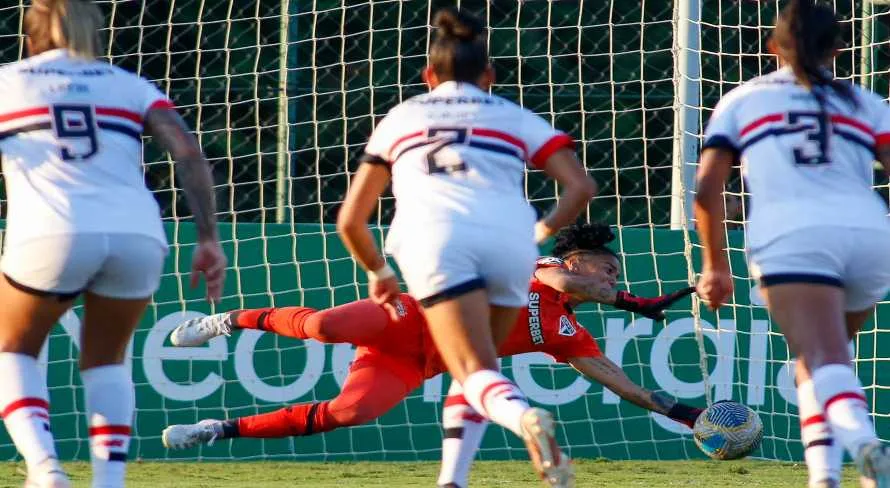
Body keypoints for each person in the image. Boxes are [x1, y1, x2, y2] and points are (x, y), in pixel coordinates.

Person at [161, 223, 700, 488]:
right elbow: (571, 280)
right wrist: (645, 301)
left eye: (617, 277)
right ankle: (225, 321)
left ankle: (218, 429)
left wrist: (690, 416)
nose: (613, 278)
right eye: (608, 268)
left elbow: (623, 385)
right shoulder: (536, 268)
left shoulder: (566, 332)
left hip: (414, 363)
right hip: (408, 314)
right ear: (578, 259)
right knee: (324, 326)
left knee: (350, 413)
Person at [334, 7, 596, 487]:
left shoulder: (403, 116)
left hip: (435, 239)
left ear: (428, 75)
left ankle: (524, 421)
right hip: (511, 241)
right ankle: (451, 480)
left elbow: (350, 220)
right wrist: (543, 230)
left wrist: (378, 272)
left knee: (472, 369)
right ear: (490, 76)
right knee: (482, 368)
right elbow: (581, 187)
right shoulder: (513, 115)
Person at [0, 1, 226, 487]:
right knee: (108, 357)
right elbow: (188, 152)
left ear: (30, 35)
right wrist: (207, 237)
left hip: (50, 231)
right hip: (138, 234)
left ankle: (45, 469)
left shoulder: (8, 81)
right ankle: (109, 480)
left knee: (12, 348)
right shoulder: (129, 84)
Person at [694, 1, 890, 487]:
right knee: (821, 357)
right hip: (869, 232)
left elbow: (706, 189)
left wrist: (715, 265)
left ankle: (864, 442)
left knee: (824, 358)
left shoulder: (743, 99)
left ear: (773, 46)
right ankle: (822, 477)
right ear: (838, 49)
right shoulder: (865, 102)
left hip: (793, 234)